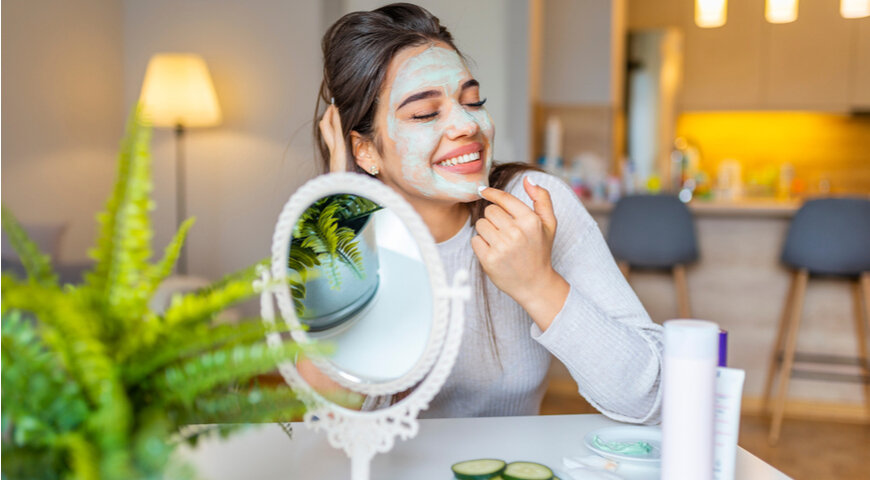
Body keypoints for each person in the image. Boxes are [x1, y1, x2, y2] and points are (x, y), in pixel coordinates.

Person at [314, 3, 663, 424]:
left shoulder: (535, 204)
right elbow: (326, 419)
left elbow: (653, 397)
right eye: (425, 113)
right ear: (366, 150)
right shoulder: (336, 234)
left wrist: (538, 284)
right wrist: (338, 211)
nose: (467, 124)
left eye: (472, 101)